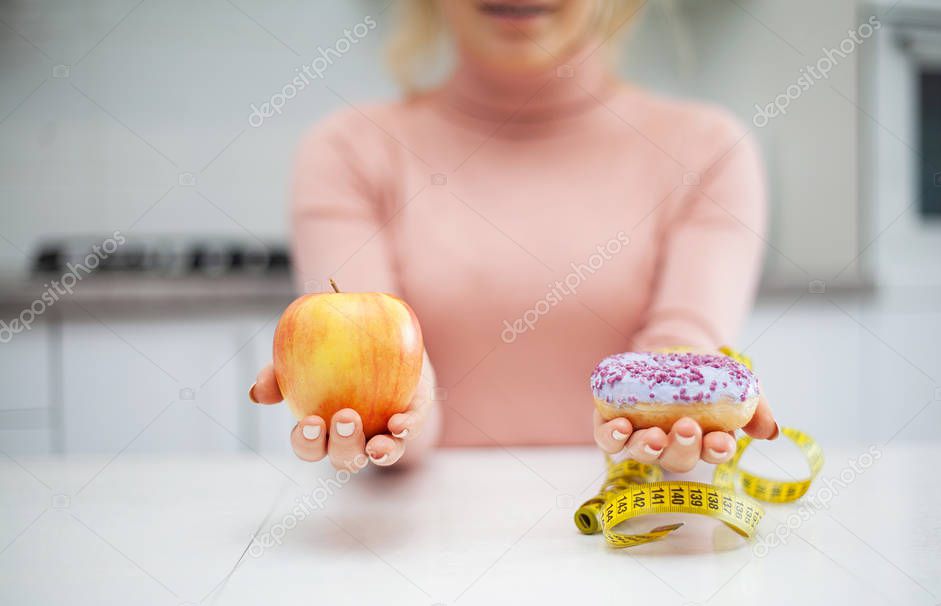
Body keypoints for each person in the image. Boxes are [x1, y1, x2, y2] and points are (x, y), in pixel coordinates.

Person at [249, 0, 779, 475]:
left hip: (618, 527)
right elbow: (389, 382)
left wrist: (668, 420)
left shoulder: (709, 151)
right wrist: (390, 416)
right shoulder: (348, 150)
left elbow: (676, 359)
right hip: (416, 538)